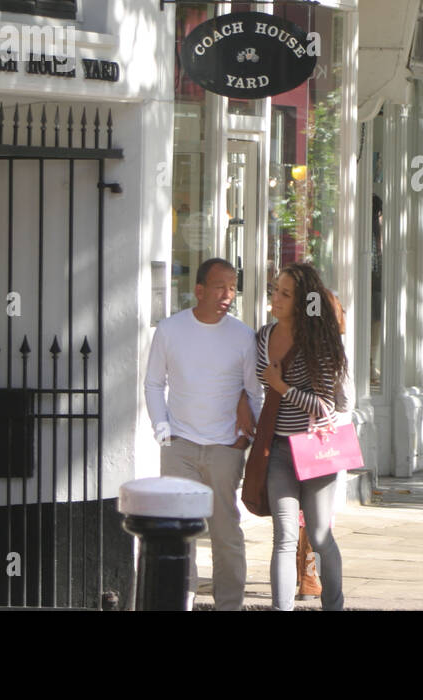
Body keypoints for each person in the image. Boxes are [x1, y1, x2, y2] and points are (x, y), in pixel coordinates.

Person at [144, 257, 261, 610]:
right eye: (220, 286)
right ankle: (182, 602)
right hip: (180, 446)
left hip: (226, 448)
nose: (228, 294)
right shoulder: (170, 329)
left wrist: (245, 439)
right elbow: (153, 383)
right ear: (199, 290)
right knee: (181, 535)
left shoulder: (242, 335)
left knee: (226, 535)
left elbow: (254, 391)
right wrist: (163, 434)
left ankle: (230, 606)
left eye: (232, 287)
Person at [259, 262, 348, 611]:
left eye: (285, 293)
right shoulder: (263, 337)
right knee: (283, 537)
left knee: (321, 537)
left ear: (301, 302)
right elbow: (256, 384)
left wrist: (283, 387)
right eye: (274, 290)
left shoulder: (320, 345)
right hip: (279, 449)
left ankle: (334, 605)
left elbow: (325, 407)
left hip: (315, 451)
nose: (275, 298)